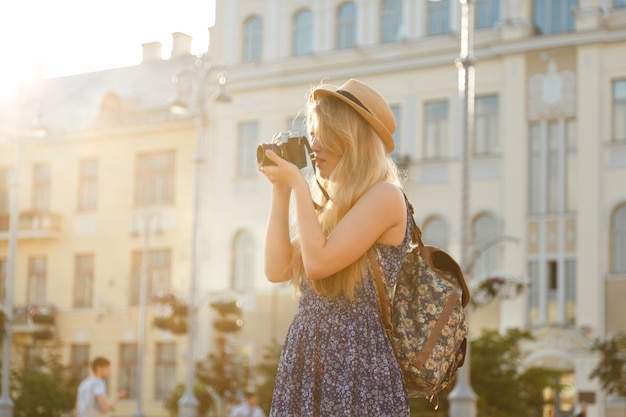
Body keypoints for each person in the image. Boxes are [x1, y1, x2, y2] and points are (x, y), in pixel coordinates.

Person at [259, 79, 410, 416]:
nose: (313, 147)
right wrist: (280, 191)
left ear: (351, 139)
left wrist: (298, 184)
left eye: (323, 135)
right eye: (312, 134)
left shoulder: (386, 196)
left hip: (356, 361)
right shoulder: (334, 209)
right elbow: (276, 269)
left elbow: (319, 264)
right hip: (308, 355)